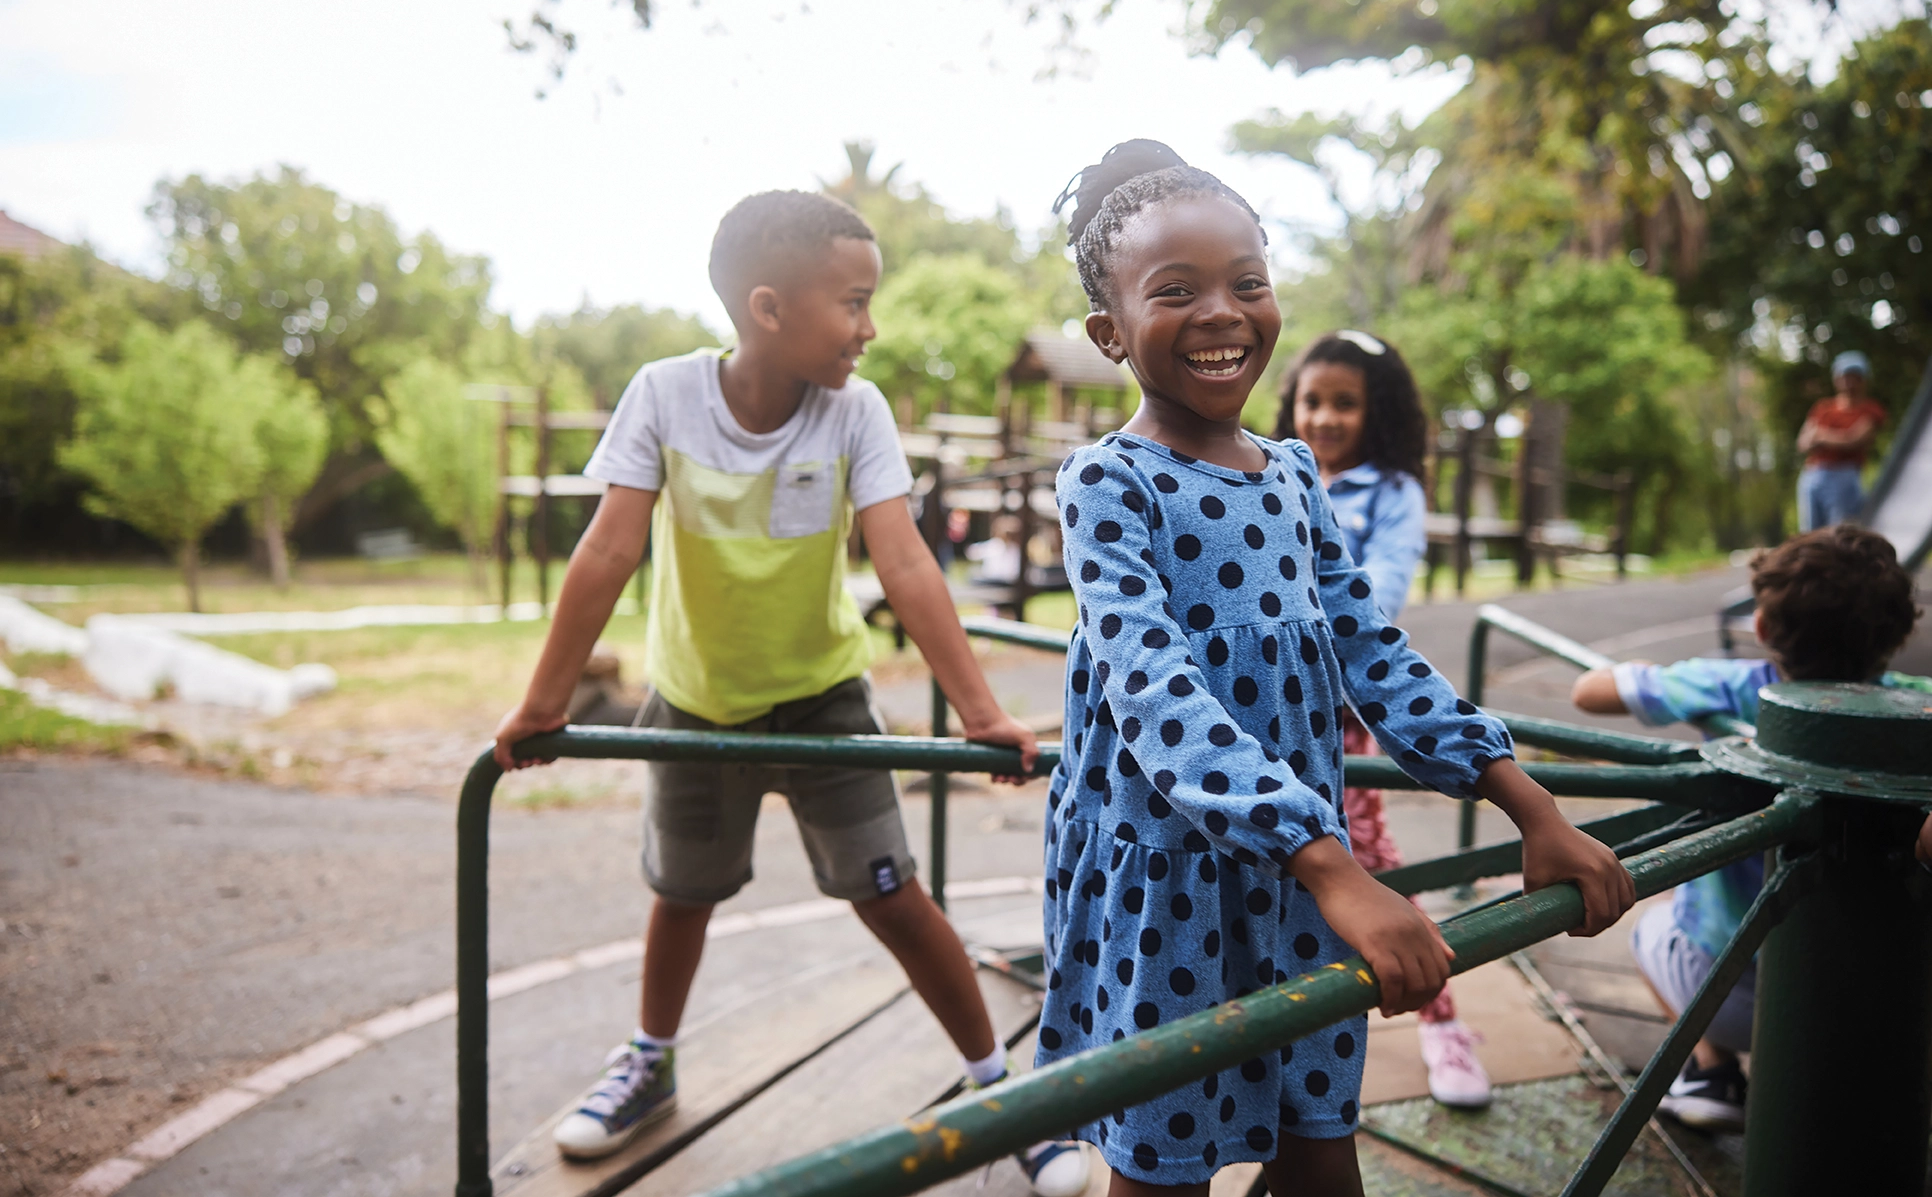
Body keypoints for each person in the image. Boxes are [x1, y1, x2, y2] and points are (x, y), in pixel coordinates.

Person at [1041, 139, 1634, 1195]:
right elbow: (1153, 683)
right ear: (1110, 332)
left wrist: (1529, 803)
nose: (1223, 312)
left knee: (1320, 1145)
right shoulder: (1107, 482)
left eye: (1247, 283)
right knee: (1163, 1167)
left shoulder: (1295, 473)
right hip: (1175, 881)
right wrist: (1333, 864)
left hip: (1308, 878)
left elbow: (1371, 648)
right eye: (1175, 292)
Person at [492, 190, 1085, 1196]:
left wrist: (978, 710)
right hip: (695, 701)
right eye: (853, 302)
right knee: (681, 894)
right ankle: (651, 1058)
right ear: (768, 308)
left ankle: (995, 1087)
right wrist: (544, 699)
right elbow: (608, 547)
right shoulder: (665, 395)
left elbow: (903, 562)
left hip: (823, 702)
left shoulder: (856, 411)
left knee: (893, 895)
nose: (870, 325)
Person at [1571, 523, 1926, 1131]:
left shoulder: (1732, 686)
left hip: (1734, 996)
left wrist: (1650, 673)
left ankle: (1710, 1069)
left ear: (1762, 628)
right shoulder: (1916, 706)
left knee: (1650, 926)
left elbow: (1588, 693)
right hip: (1883, 991)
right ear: (1896, 638)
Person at [1275, 330, 1492, 1110]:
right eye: (1312, 400)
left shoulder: (1391, 490)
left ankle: (1442, 1021)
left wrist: (1297, 632)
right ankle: (1264, 1023)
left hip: (1337, 708)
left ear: (1378, 412)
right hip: (1261, 708)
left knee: (1367, 856)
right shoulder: (1265, 469)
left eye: (1344, 403)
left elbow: (1380, 593)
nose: (1324, 417)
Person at [1795, 350, 1885, 530]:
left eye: (1855, 377)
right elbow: (1803, 442)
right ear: (1836, 379)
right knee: (1810, 535)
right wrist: (1837, 437)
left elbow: (1854, 441)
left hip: (1845, 476)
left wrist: (1820, 435)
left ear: (1864, 380)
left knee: (1840, 535)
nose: (1849, 382)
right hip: (1812, 476)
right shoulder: (1822, 407)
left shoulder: (1870, 409)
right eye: (1845, 376)